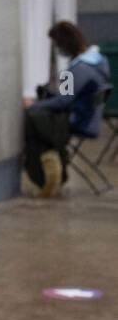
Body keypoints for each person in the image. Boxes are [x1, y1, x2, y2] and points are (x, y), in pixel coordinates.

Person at [22, 20, 111, 197]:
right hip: (92, 117)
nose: (57, 49)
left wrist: (35, 104)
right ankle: (53, 158)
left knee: (33, 118)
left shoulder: (75, 69)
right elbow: (70, 95)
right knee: (43, 118)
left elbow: (64, 101)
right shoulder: (100, 60)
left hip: (80, 121)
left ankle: (47, 168)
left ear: (64, 44)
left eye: (57, 45)